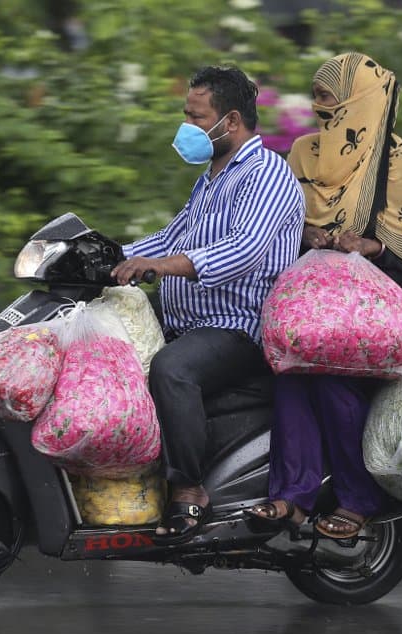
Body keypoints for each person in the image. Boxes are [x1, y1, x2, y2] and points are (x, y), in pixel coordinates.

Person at [112, 65, 305, 544]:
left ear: (232, 122)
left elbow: (243, 250)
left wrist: (159, 267)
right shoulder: (212, 179)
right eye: (187, 115)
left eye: (197, 119)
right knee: (108, 343)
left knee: (172, 370)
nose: (188, 128)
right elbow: (169, 236)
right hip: (191, 321)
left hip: (237, 329)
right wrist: (106, 254)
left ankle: (189, 489)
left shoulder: (268, 175)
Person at [245, 52, 402, 539]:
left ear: (358, 99)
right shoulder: (304, 151)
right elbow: (278, 217)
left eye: (328, 95)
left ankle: (358, 500)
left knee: (330, 384)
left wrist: (366, 245)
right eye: (316, 94)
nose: (317, 104)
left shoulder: (397, 159)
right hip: (305, 301)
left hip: (368, 308)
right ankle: (290, 497)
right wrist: (306, 231)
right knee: (289, 377)